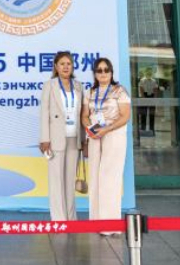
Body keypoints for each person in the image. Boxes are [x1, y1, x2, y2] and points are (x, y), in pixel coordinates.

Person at [82, 57, 130, 233]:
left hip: (114, 135)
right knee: (95, 177)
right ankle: (96, 222)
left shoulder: (119, 91)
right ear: (95, 73)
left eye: (106, 70)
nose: (103, 73)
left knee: (110, 178)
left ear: (111, 72)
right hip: (95, 136)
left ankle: (110, 225)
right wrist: (90, 128)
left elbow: (125, 116)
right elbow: (85, 115)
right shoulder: (90, 92)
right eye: (99, 70)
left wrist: (107, 129)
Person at [38, 51, 83, 221]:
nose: (66, 67)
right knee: (56, 181)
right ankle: (59, 219)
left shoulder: (78, 86)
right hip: (55, 138)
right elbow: (44, 114)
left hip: (74, 138)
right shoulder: (49, 85)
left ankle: (71, 219)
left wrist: (83, 140)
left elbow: (82, 114)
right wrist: (44, 139)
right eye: (62, 64)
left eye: (69, 64)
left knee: (70, 181)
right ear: (56, 67)